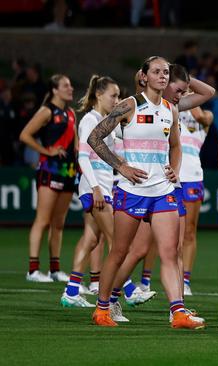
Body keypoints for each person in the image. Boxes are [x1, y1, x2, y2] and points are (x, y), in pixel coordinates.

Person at [88, 56, 204, 329]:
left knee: (170, 253)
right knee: (119, 251)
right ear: (144, 77)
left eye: (166, 72)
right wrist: (121, 166)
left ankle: (178, 313)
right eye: (156, 72)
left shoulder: (170, 109)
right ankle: (102, 308)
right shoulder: (129, 105)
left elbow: (175, 145)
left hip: (163, 191)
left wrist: (175, 169)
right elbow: (94, 138)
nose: (163, 76)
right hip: (132, 190)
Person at [60, 75, 119, 307]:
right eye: (113, 96)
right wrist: (95, 188)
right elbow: (82, 155)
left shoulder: (105, 122)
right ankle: (127, 291)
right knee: (117, 241)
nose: (116, 100)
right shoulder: (89, 121)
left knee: (91, 239)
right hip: (96, 188)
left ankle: (72, 292)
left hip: (102, 186)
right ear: (99, 95)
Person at [20, 74, 76, 283]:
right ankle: (33, 269)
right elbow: (25, 135)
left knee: (59, 223)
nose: (70, 88)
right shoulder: (47, 111)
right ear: (54, 90)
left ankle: (55, 269)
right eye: (65, 85)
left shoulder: (71, 113)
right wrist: (46, 151)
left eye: (70, 85)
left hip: (68, 171)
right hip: (49, 169)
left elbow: (75, 145)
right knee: (42, 220)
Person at [179, 93, 214, 296]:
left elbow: (202, 117)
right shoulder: (168, 110)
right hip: (169, 176)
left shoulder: (205, 116)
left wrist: (190, 99)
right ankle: (145, 280)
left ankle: (184, 280)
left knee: (189, 231)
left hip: (192, 176)